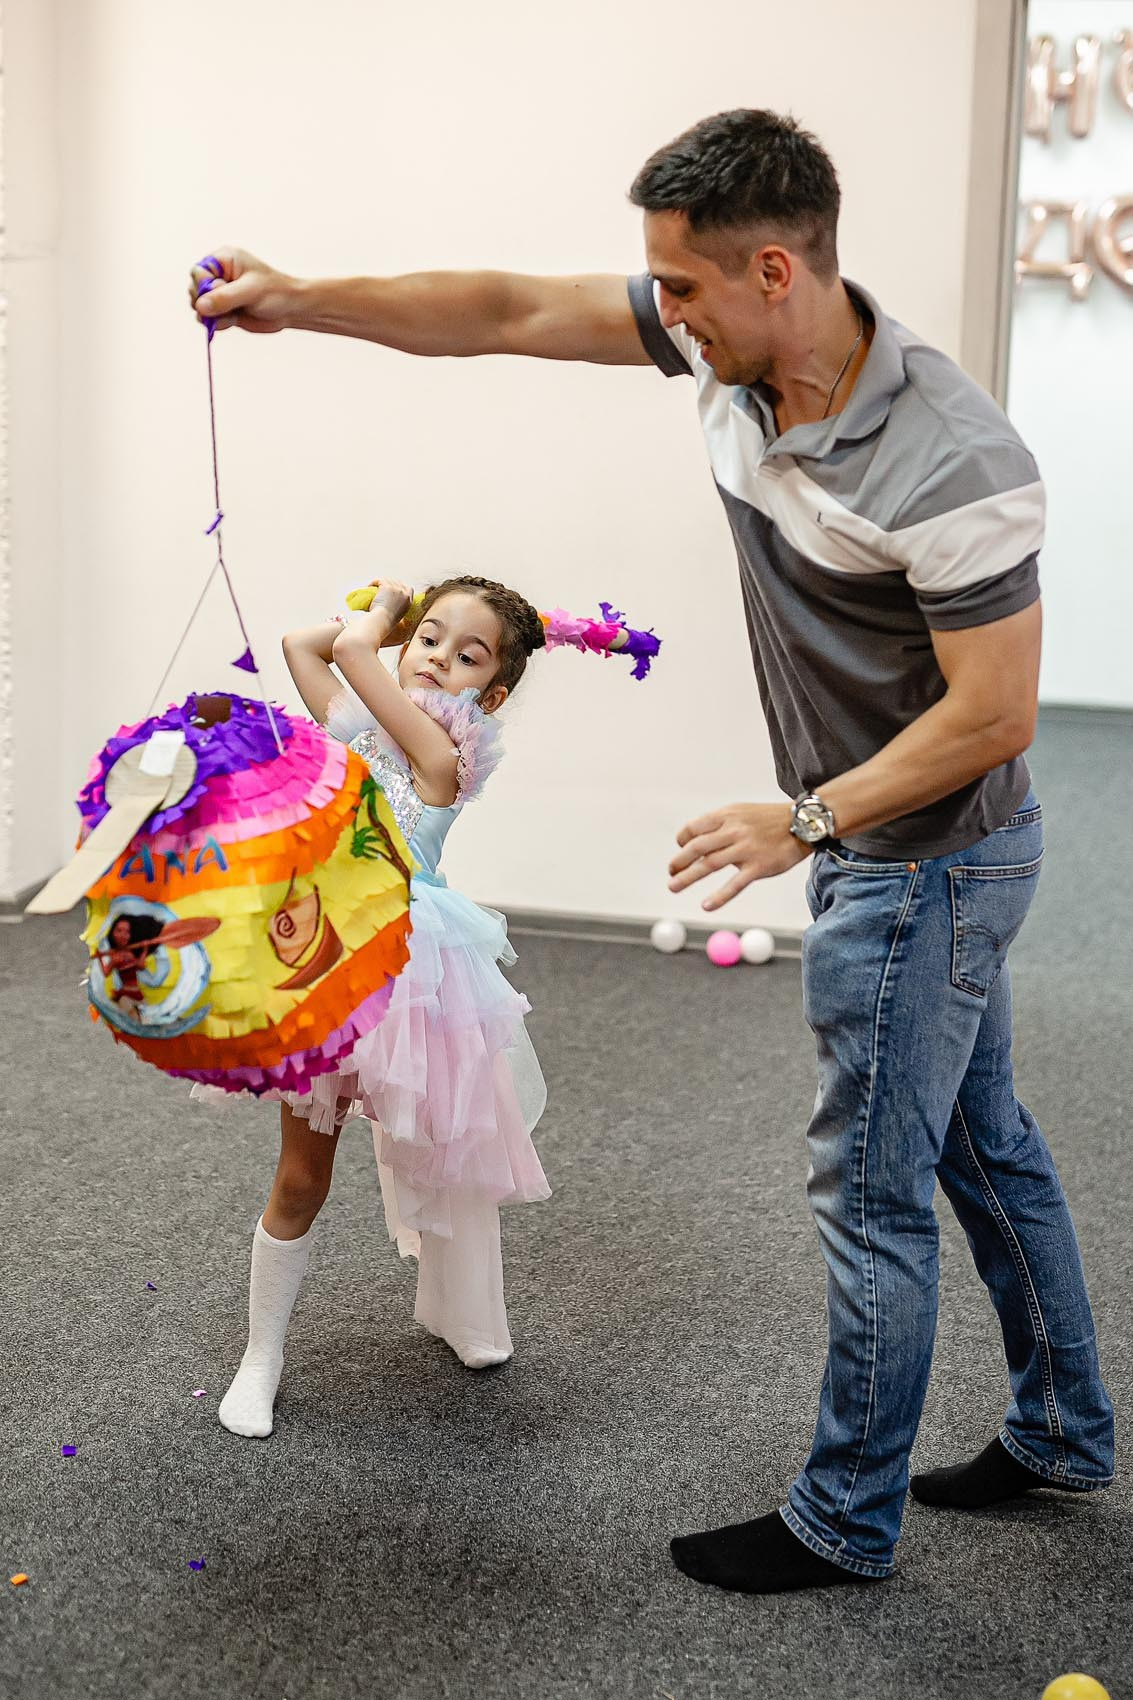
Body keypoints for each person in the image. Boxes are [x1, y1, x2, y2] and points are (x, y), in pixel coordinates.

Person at [189, 109, 1114, 1586]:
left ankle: (844, 1520)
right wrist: (298, 298)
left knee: (870, 1188)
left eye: (682, 286)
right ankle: (1063, 1429)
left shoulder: (952, 460)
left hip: (925, 860)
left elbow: (994, 714)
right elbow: (502, 308)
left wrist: (802, 818)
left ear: (772, 270)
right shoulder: (726, 351)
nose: (662, 314)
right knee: (981, 1144)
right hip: (912, 848)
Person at [215, 574, 551, 1440]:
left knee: (445, 1160)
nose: (436, 660)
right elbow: (302, 645)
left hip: (418, 976)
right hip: (330, 967)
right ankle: (260, 1357)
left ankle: (462, 1313)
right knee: (302, 1176)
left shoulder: (446, 758)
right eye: (429, 639)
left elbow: (349, 650)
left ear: (492, 694)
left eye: (466, 656)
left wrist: (381, 624)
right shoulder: (359, 724)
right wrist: (393, 625)